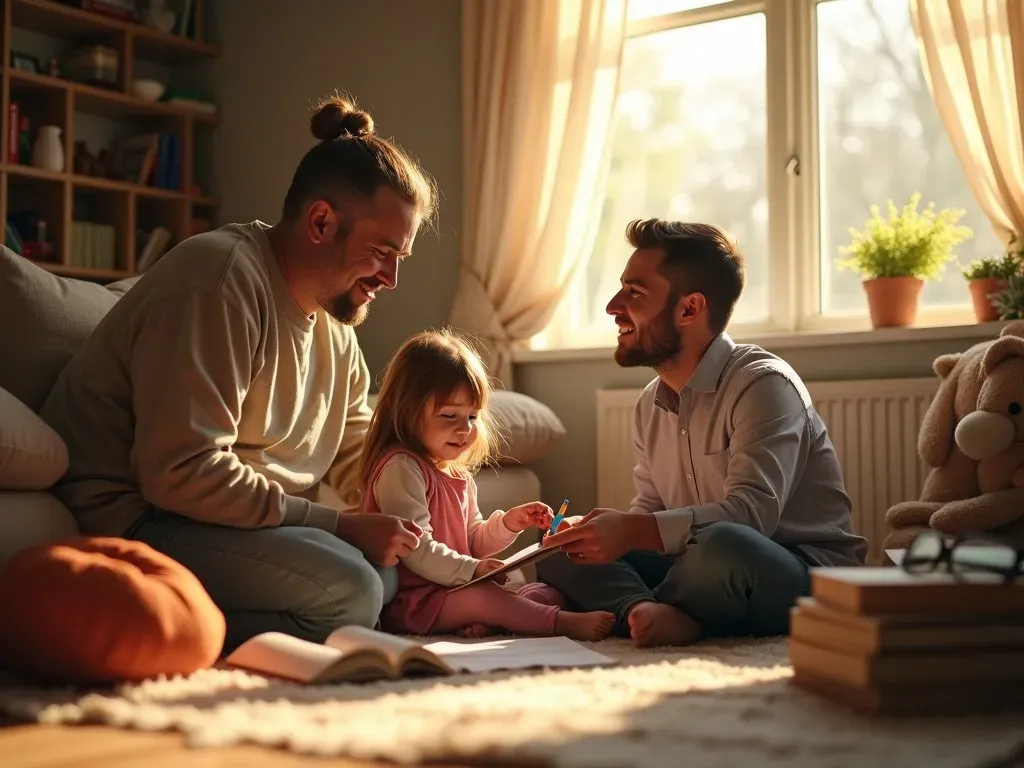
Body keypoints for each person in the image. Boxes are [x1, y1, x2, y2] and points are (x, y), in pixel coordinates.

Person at [39, 94, 437, 654]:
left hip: (243, 524)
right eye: (381, 252)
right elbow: (180, 472)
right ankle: (168, 635)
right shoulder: (220, 278)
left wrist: (431, 509)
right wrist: (339, 527)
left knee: (389, 573)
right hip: (141, 516)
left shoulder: (335, 324)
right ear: (321, 221)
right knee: (352, 587)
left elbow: (359, 453)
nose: (391, 278)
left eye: (401, 258)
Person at [538, 219, 867, 648]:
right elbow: (652, 514)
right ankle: (646, 612)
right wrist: (604, 534)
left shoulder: (764, 384)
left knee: (724, 544)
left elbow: (752, 517)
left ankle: (659, 612)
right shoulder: (649, 403)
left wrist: (633, 531)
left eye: (634, 293)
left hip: (795, 572)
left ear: (689, 309)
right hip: (693, 566)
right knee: (560, 545)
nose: (613, 306)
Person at [361, 329, 616, 641]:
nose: (465, 429)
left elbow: (473, 540)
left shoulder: (458, 475)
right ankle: (562, 623)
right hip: (416, 601)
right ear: (407, 411)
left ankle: (503, 618)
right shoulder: (401, 468)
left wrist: (510, 523)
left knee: (525, 584)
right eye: (449, 415)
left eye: (471, 416)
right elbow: (417, 550)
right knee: (485, 597)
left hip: (454, 588)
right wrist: (473, 570)